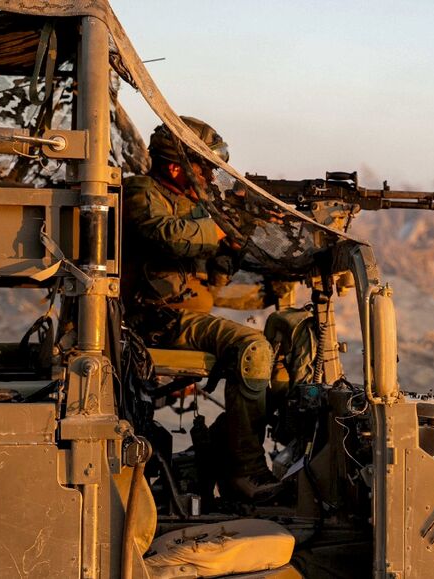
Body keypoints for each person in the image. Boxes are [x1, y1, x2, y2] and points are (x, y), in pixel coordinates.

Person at [121, 116, 281, 500]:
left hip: (187, 317)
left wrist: (237, 243)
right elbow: (167, 237)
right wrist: (220, 228)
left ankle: (225, 450)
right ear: (175, 167)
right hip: (158, 320)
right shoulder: (141, 191)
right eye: (203, 166)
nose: (209, 176)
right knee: (252, 348)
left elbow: (209, 286)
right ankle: (247, 472)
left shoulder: (193, 205)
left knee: (286, 338)